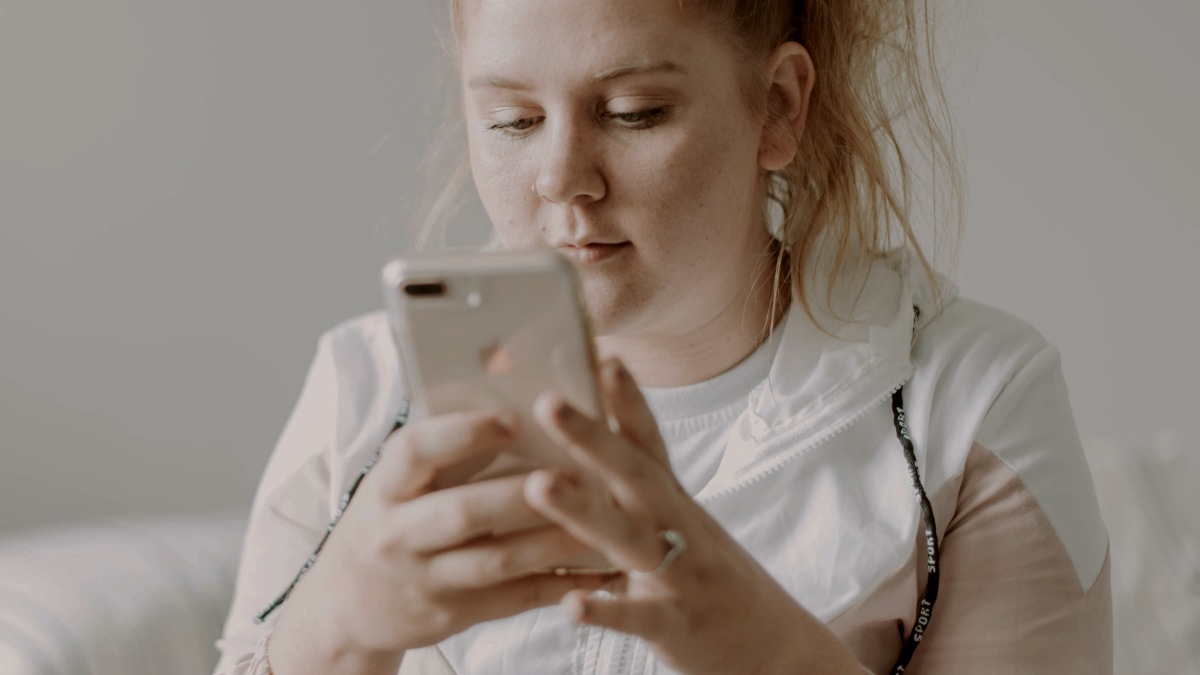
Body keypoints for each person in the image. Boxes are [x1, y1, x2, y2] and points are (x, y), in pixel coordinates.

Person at [214, 0, 1112, 672]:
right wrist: (331, 631)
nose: (562, 178)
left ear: (778, 107)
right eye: (513, 121)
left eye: (634, 111)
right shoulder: (364, 390)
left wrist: (770, 650)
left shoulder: (976, 405)